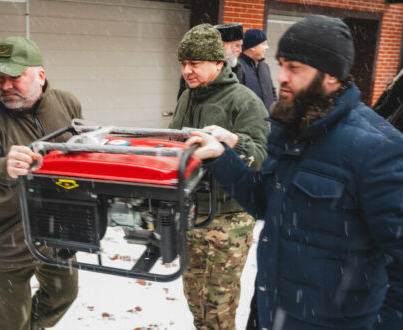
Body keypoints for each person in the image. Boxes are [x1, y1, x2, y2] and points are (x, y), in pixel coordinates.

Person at [186, 15, 403, 329]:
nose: (281, 77)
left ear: (331, 75)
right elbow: (264, 202)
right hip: (269, 314)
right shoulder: (290, 130)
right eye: (282, 64)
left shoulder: (377, 148)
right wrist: (222, 157)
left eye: (295, 68)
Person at [0, 36, 81, 330]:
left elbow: (78, 153)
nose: (5, 86)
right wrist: (3, 171)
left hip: (56, 232)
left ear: (40, 75)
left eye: (15, 77)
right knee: (10, 321)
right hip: (6, 242)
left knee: (64, 295)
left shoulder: (67, 103)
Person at [170, 24, 270, 329]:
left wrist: (235, 141)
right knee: (195, 300)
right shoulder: (188, 97)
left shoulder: (244, 100)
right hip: (193, 213)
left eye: (195, 64)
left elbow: (264, 156)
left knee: (218, 304)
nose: (187, 71)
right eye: (184, 64)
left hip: (229, 218)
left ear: (217, 63)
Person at [177, 23, 246, 99]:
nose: (240, 50)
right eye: (237, 45)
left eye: (241, 46)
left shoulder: (239, 69)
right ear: (222, 45)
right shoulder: (192, 74)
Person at [238, 29, 277, 111]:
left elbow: (272, 92)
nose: (267, 47)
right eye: (263, 44)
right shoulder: (237, 67)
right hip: (249, 121)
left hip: (268, 121)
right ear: (252, 47)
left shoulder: (265, 67)